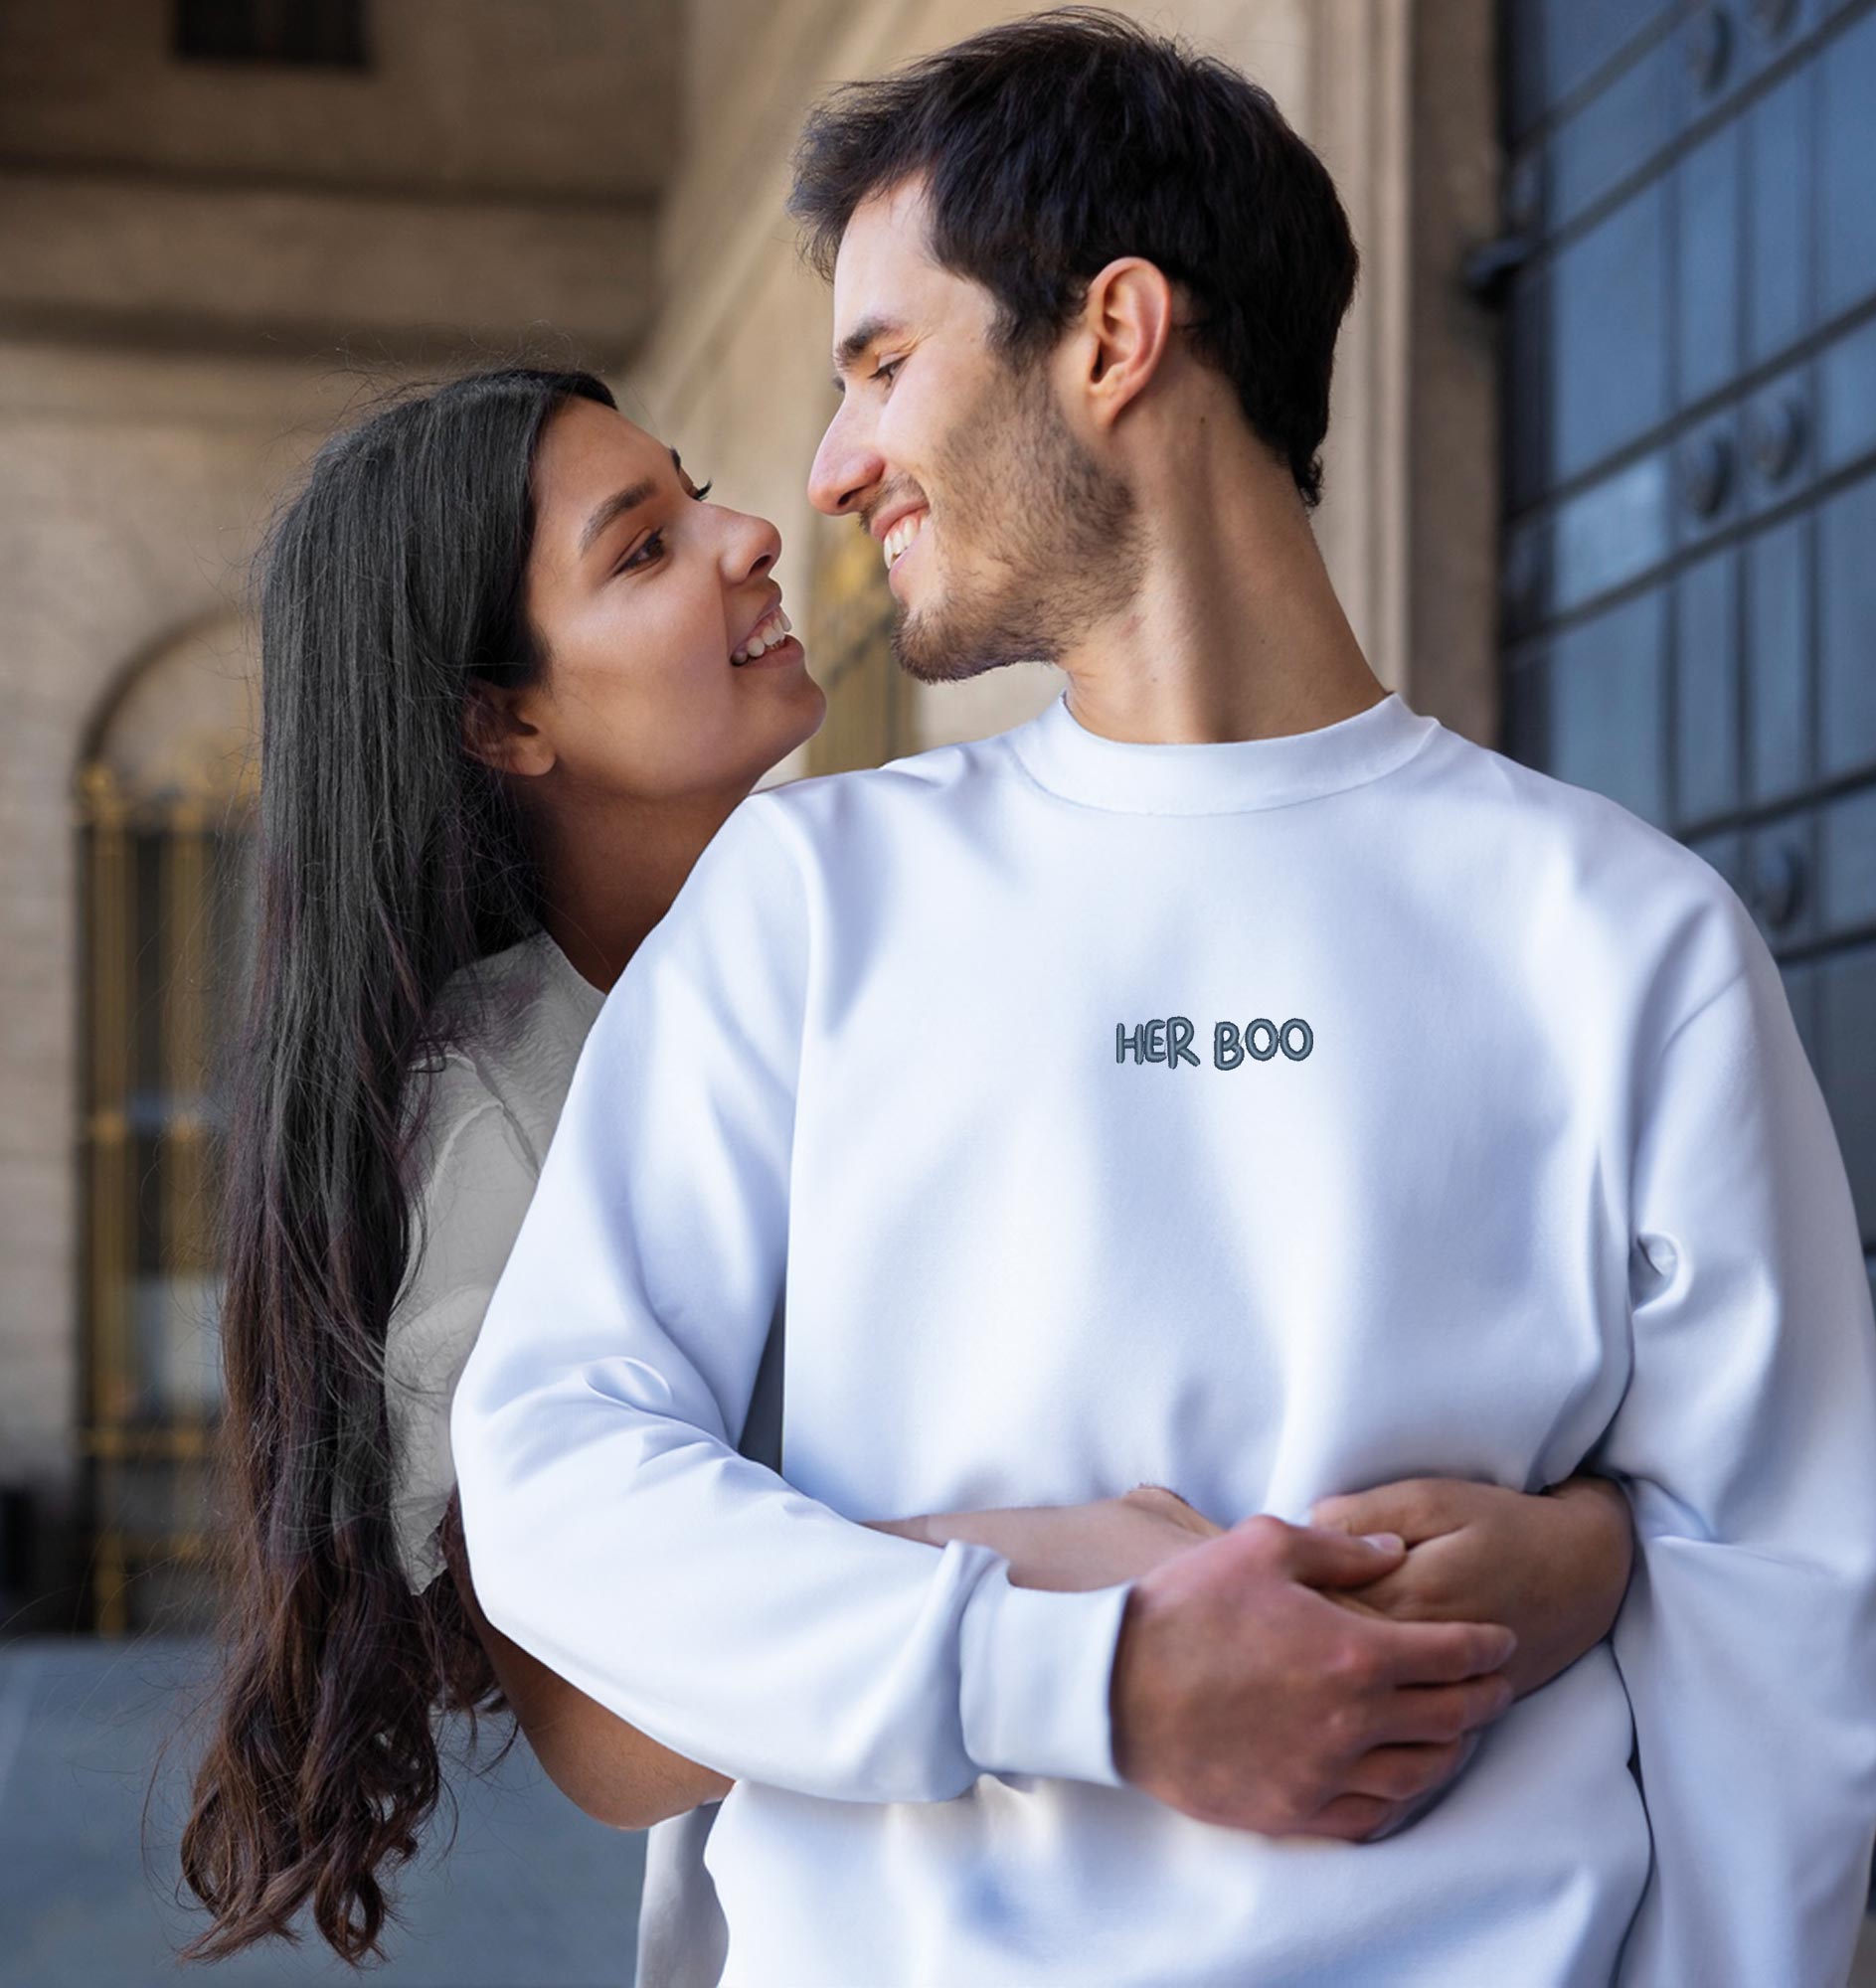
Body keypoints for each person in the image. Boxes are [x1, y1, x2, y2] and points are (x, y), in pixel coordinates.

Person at [450, 11, 1876, 1986]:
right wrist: (1085, 1674)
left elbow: (1783, 1620)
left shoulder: (1621, 936)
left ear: (1112, 335)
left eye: (884, 362)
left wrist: (1612, 1545)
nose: (831, 464)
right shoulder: (807, 900)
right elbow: (551, 1479)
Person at [174, 364, 1635, 1978]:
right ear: (505, 718)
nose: (750, 535)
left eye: (696, 489)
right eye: (642, 551)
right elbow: (604, 1734)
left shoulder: (911, 913)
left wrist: (1580, 1547)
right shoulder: (504, 1105)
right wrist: (1046, 1582)